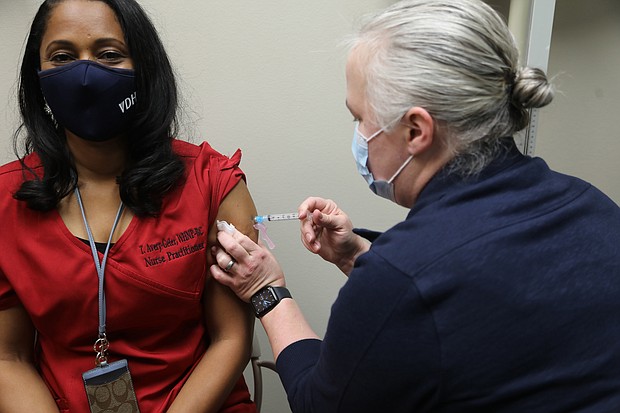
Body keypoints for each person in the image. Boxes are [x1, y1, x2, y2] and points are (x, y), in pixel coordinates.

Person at [209, 0, 620, 412]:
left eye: (360, 118)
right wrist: (359, 254)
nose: (358, 136)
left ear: (416, 130)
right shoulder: (595, 207)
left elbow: (322, 404)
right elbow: (478, 301)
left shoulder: (402, 279)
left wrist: (266, 291)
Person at [0, 1, 259, 412]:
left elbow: (233, 339)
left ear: (144, 68)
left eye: (109, 55)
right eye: (63, 57)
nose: (85, 75)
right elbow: (7, 358)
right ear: (39, 77)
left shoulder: (214, 184)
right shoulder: (6, 200)